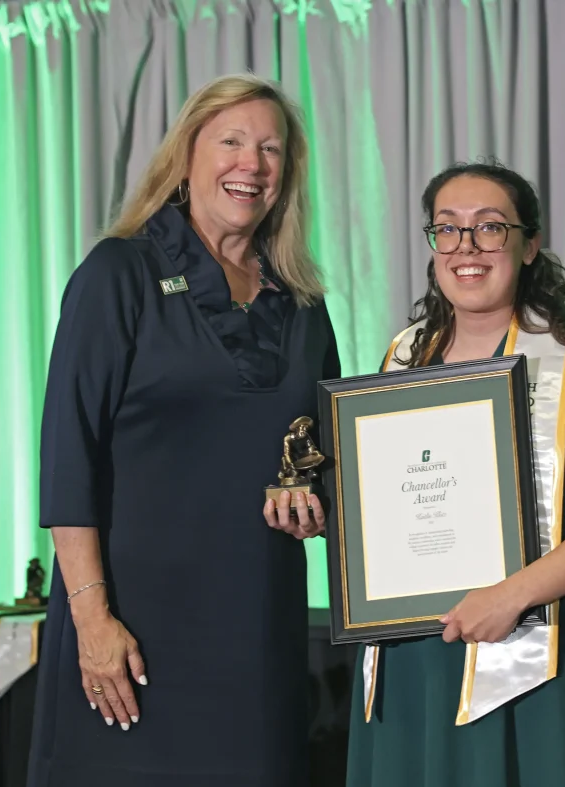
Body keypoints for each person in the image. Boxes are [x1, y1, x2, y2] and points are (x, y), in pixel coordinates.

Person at [27, 74, 339, 787]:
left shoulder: (303, 303)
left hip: (257, 629)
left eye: (270, 149)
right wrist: (92, 622)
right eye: (231, 141)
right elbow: (68, 457)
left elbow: (325, 451)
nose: (251, 163)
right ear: (186, 154)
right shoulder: (118, 273)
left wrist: (313, 498)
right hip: (131, 631)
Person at [345, 161, 565, 787]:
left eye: (490, 227)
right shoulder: (401, 358)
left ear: (529, 244)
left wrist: (511, 596)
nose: (466, 247)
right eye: (448, 228)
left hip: (541, 646)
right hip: (419, 653)